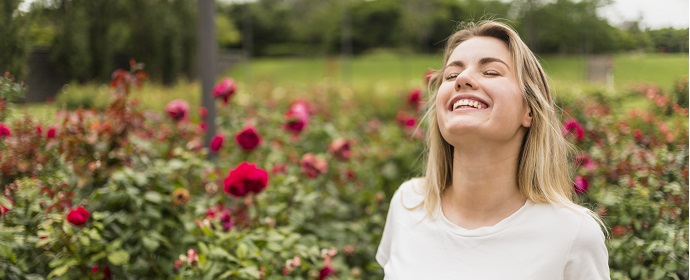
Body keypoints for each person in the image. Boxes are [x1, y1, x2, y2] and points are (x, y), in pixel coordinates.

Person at [376, 20, 609, 279]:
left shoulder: (573, 233)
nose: (462, 79)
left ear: (529, 110)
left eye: (491, 72)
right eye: (452, 75)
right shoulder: (408, 204)